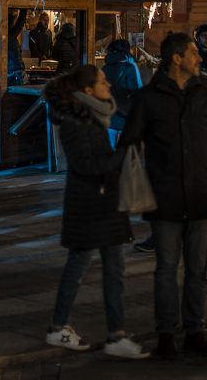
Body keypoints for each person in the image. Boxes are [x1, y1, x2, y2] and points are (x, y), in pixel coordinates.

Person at [121, 32, 207, 360]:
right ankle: (167, 332)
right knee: (166, 268)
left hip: (202, 197)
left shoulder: (205, 95)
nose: (200, 58)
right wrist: (135, 184)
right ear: (176, 58)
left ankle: (194, 330)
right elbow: (129, 143)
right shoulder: (149, 97)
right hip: (166, 198)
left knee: (198, 269)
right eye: (194, 53)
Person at [43, 65, 149, 360]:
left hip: (104, 203)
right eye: (103, 81)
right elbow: (86, 166)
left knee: (114, 270)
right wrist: (122, 153)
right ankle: (58, 327)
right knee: (78, 268)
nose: (109, 85)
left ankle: (116, 335)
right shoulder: (75, 122)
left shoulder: (93, 116)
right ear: (88, 91)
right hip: (88, 205)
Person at [101, 38, 142, 148]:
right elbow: (138, 92)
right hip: (126, 118)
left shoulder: (104, 68)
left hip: (109, 116)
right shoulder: (130, 67)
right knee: (126, 155)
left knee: (110, 152)